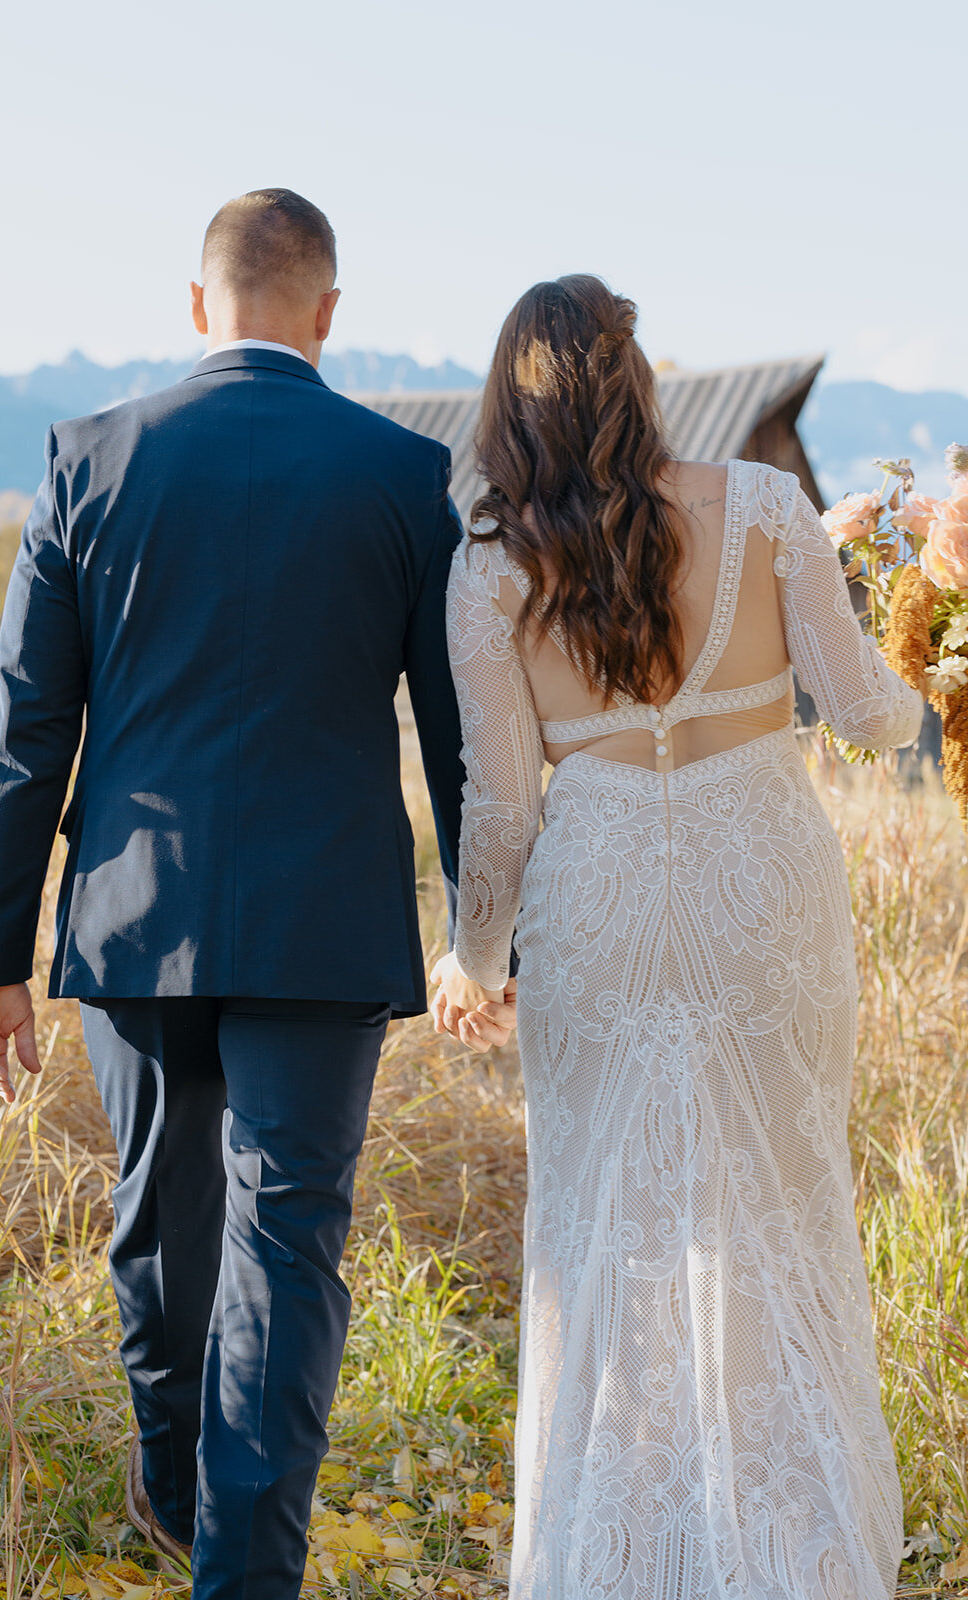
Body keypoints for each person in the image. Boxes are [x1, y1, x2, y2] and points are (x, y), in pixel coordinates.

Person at [0, 187, 515, 1600]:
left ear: (198, 306)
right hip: (324, 929)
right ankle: (240, 1558)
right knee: (290, 1239)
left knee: (157, 1221)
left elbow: (26, 730)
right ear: (327, 313)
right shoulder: (401, 474)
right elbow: (460, 743)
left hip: (133, 920)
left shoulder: (89, 457)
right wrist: (480, 937)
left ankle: (181, 1475)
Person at [430, 275, 922, 1600]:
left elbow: (500, 815)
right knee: (782, 1193)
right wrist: (910, 592)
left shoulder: (488, 574)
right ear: (637, 374)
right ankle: (796, 1550)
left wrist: (469, 964)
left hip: (596, 911)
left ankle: (625, 1556)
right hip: (761, 888)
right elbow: (875, 720)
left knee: (608, 1226)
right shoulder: (764, 510)